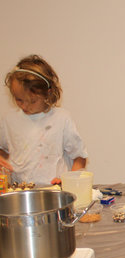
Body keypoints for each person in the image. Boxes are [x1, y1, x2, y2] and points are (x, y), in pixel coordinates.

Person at [0, 54, 87, 185]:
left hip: (53, 191)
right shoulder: (9, 120)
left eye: (32, 101)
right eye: (19, 100)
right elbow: (2, 150)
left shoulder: (61, 119)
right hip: (19, 190)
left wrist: (69, 180)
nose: (25, 106)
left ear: (48, 93)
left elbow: (80, 157)